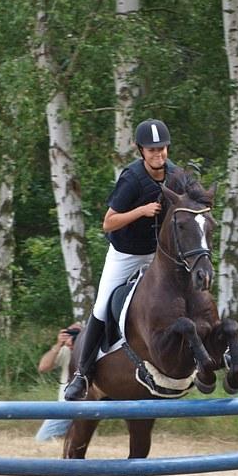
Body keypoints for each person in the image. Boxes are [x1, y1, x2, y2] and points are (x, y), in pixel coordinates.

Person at [64, 118, 183, 400]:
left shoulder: (176, 175)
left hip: (158, 255)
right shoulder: (132, 179)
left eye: (163, 149)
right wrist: (140, 211)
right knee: (103, 306)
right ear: (140, 150)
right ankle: (82, 374)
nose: (159, 155)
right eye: (152, 150)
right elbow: (108, 223)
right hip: (126, 255)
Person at [34, 323, 82, 440]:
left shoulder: (89, 351)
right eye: (69, 334)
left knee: (43, 438)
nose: (71, 340)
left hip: (77, 404)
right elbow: (43, 367)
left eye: (76, 335)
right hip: (66, 404)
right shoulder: (65, 350)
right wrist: (58, 345)